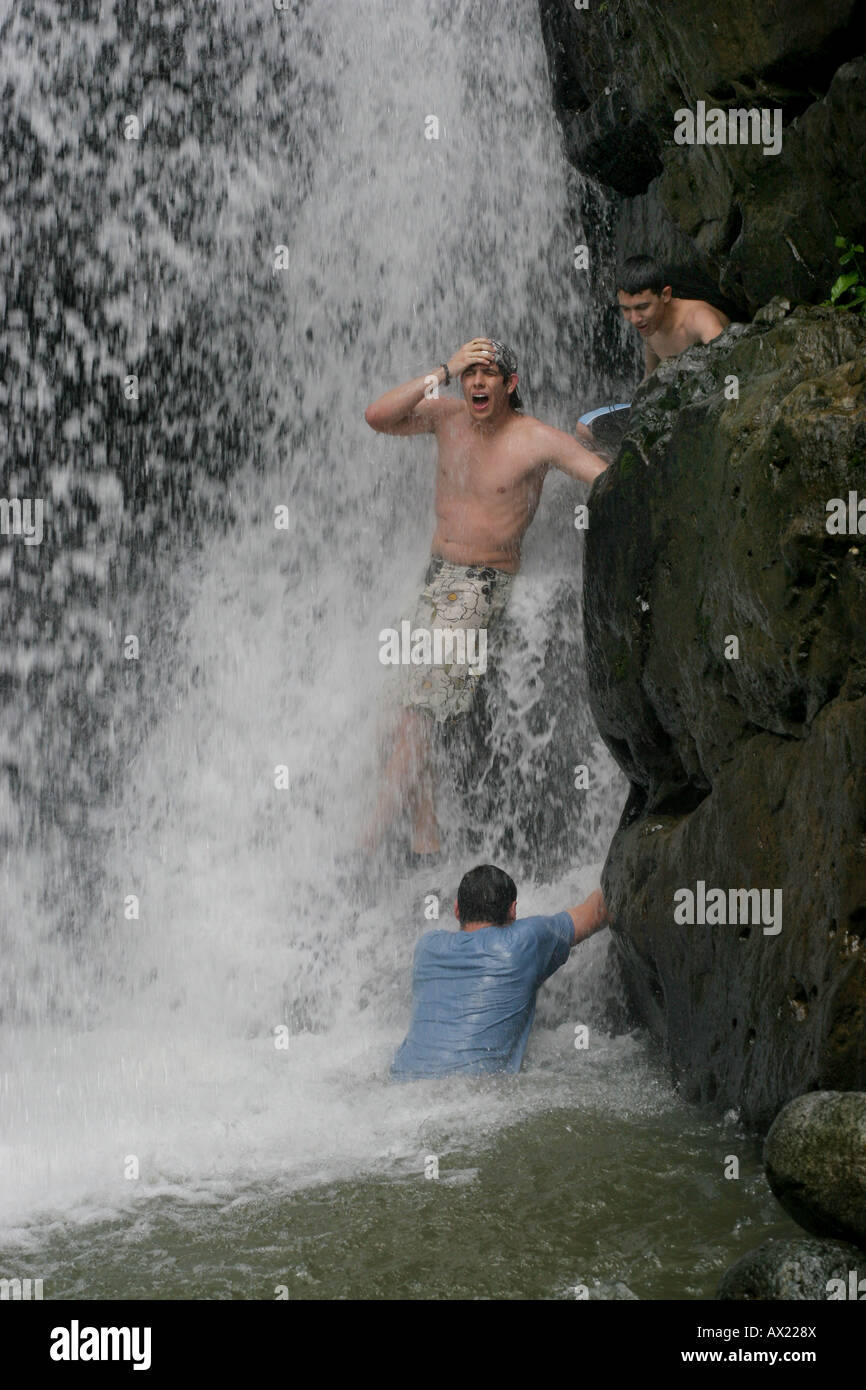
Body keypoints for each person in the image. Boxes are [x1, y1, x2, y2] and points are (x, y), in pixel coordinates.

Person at [363, 338, 609, 858]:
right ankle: (424, 842)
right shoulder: (447, 418)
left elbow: (605, 479)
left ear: (509, 384)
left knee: (413, 713)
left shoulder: (537, 440)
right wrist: (443, 369)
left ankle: (365, 848)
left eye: (488, 373)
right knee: (396, 713)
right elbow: (377, 415)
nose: (476, 382)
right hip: (436, 579)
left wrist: (609, 446)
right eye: (470, 373)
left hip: (477, 587)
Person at [390, 864, 610, 1079]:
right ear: (513, 910)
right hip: (474, 1090)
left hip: (403, 1081)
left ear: (456, 910)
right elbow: (599, 910)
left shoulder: (427, 946)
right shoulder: (524, 941)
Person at [617, 254, 730, 379]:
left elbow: (729, 364)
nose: (634, 319)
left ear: (665, 295)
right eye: (626, 309)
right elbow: (649, 380)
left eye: (642, 307)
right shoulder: (649, 328)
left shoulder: (699, 320)